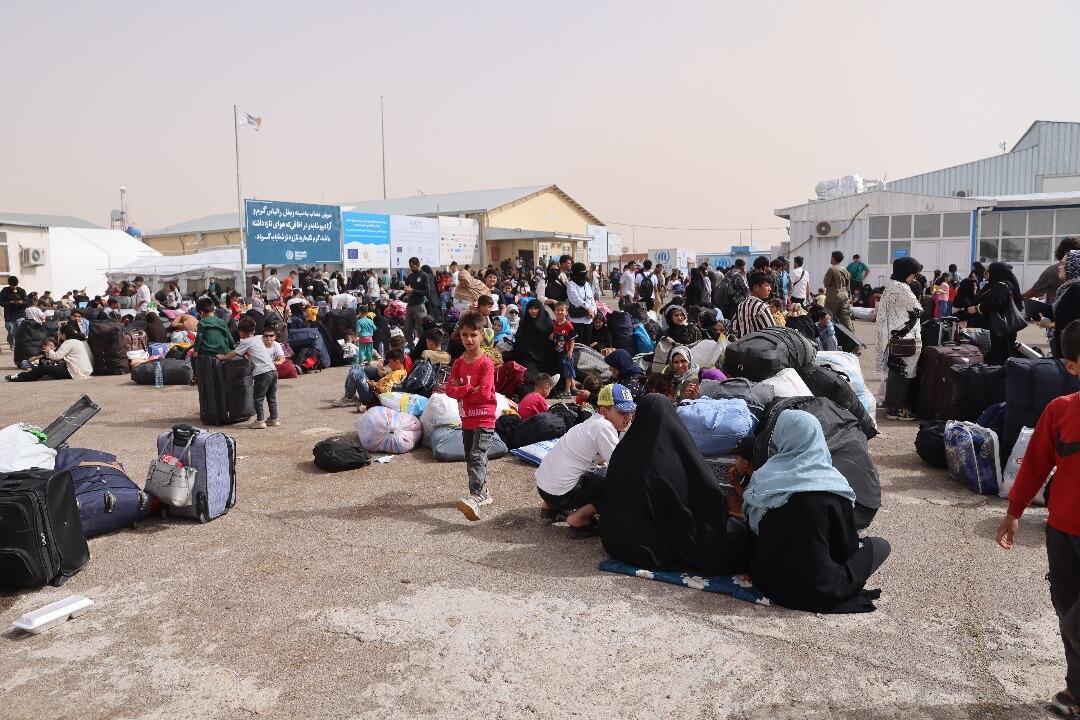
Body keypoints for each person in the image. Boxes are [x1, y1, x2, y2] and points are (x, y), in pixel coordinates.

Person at [997, 319, 1080, 716]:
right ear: (1072, 366)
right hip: (1062, 531)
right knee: (1066, 611)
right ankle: (1075, 693)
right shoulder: (1060, 411)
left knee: (1077, 623)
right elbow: (1034, 465)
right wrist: (1014, 511)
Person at [741, 409, 890, 613]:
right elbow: (845, 549)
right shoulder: (831, 485)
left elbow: (753, 532)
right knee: (880, 545)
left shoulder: (763, 479)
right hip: (821, 591)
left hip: (768, 583)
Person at [600, 394, 750, 575]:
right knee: (735, 540)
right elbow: (705, 494)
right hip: (650, 548)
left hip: (616, 541)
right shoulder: (671, 456)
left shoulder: (623, 451)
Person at [535, 383, 635, 531]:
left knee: (592, 471)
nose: (628, 417)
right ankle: (579, 519)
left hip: (545, 489)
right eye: (622, 412)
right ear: (603, 411)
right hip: (561, 494)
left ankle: (550, 507)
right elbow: (620, 466)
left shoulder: (589, 423)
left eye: (631, 411)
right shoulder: (604, 426)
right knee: (618, 482)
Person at [445, 312, 498, 521]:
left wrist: (462, 390)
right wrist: (468, 389)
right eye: (465, 335)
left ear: (482, 335)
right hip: (467, 418)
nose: (469, 339)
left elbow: (485, 394)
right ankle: (482, 492)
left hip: (485, 418)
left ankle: (475, 496)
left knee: (477, 455)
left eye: (473, 335)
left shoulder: (486, 364)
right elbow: (449, 390)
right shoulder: (459, 363)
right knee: (471, 457)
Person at [875, 256, 924, 421]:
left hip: (895, 335)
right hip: (904, 337)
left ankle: (893, 407)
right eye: (913, 275)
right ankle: (895, 409)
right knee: (903, 374)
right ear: (906, 272)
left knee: (896, 372)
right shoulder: (902, 287)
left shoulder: (892, 285)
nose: (914, 278)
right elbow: (918, 311)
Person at [218, 317, 279, 429]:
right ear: (254, 330)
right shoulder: (259, 338)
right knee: (271, 397)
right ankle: (273, 419)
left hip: (262, 372)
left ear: (241, 332)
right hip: (273, 370)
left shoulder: (246, 342)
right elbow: (256, 352)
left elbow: (234, 353)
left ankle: (260, 421)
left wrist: (223, 357)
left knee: (258, 398)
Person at [960, 261, 1024, 365]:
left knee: (995, 358)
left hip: (995, 332)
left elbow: (994, 303)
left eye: (990, 271)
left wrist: (977, 308)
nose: (988, 274)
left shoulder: (1001, 286)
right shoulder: (999, 285)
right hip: (995, 330)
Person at [7, 323, 93, 382]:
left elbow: (56, 356)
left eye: (60, 333)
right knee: (46, 368)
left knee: (45, 368)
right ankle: (28, 373)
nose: (60, 335)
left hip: (75, 372)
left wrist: (49, 350)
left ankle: (20, 377)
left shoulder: (69, 342)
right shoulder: (83, 342)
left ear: (64, 334)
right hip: (87, 370)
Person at [1044, 251, 1080, 359]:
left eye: (1063, 264)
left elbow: (1073, 322)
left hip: (1071, 352)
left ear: (1074, 266)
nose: (1059, 267)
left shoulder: (1076, 289)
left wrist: (1050, 325)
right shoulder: (1068, 287)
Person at [1024, 237, 1080, 304]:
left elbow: (1035, 291)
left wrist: (1018, 297)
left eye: (1063, 264)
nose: (1059, 267)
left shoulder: (1053, 271)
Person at [730, 271, 775, 339]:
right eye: (767, 285)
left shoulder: (741, 305)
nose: (770, 289)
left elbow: (734, 327)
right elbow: (772, 331)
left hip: (742, 344)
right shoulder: (761, 307)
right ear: (756, 288)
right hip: (758, 344)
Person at [550, 302, 577, 397]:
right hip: (559, 352)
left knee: (568, 370)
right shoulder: (555, 324)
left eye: (562, 310)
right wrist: (552, 335)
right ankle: (573, 387)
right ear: (554, 312)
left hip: (566, 352)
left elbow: (572, 339)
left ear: (566, 312)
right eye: (557, 310)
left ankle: (567, 390)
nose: (560, 312)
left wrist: (570, 351)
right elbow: (555, 333)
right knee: (565, 369)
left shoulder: (568, 325)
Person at [403, 257, 431, 346]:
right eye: (410, 266)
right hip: (410, 305)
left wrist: (413, 291)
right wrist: (402, 286)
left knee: (420, 328)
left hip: (419, 305)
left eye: (412, 266)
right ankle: (410, 344)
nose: (411, 268)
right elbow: (406, 284)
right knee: (407, 327)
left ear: (418, 264)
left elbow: (427, 292)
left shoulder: (424, 276)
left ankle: (423, 345)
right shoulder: (411, 276)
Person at [566, 262, 596, 346]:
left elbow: (592, 299)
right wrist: (588, 309)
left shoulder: (587, 284)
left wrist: (593, 311)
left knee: (586, 346)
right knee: (577, 346)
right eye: (582, 272)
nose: (584, 274)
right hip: (577, 320)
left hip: (588, 320)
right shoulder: (571, 285)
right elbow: (575, 300)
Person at [1, 276, 28, 352]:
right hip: (9, 314)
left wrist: (22, 302)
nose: (14, 287)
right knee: (10, 328)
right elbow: (1, 302)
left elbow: (27, 302)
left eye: (15, 285)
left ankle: (18, 345)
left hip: (20, 313)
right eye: (13, 286)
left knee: (19, 328)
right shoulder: (4, 291)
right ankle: (11, 341)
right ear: (9, 284)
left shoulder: (21, 291)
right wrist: (9, 303)